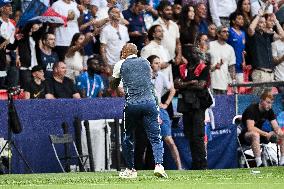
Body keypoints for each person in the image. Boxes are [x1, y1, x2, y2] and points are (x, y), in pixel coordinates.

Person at [111, 43, 167, 179]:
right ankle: (159, 165)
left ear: (125, 52)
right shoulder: (146, 62)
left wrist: (117, 80)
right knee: (155, 137)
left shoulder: (120, 64)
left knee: (128, 137)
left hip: (133, 104)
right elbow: (149, 86)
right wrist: (157, 110)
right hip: (150, 103)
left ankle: (131, 169)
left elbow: (113, 85)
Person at [174, 33, 212, 170]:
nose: (195, 55)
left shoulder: (203, 68)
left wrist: (185, 84)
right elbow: (177, 85)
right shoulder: (182, 68)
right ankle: (195, 163)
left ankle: (202, 164)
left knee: (198, 135)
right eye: (193, 53)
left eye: (197, 53)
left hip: (198, 104)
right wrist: (190, 82)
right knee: (189, 135)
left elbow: (201, 85)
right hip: (186, 104)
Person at [148, 55, 182, 170]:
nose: (159, 65)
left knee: (169, 140)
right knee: (146, 142)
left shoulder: (161, 76)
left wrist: (166, 103)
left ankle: (179, 167)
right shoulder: (143, 77)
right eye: (156, 63)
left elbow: (172, 89)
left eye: (159, 62)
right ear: (150, 64)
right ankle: (143, 168)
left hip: (160, 110)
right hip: (147, 110)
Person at [240, 90, 284, 167]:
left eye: (271, 103)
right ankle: (259, 163)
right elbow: (250, 128)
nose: (270, 106)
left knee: (282, 134)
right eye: (268, 102)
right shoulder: (251, 109)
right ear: (261, 101)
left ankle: (282, 162)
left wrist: (279, 132)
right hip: (246, 135)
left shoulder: (269, 110)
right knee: (255, 134)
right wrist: (266, 134)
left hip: (261, 135)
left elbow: (275, 126)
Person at [209, 26, 236, 95]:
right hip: (210, 83)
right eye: (224, 31)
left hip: (224, 84)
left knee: (222, 105)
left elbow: (231, 66)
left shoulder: (230, 48)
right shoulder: (210, 45)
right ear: (218, 34)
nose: (227, 33)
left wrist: (234, 81)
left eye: (228, 32)